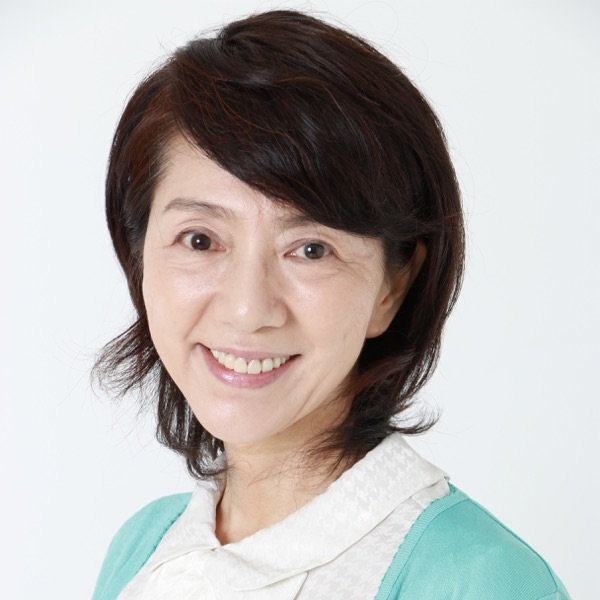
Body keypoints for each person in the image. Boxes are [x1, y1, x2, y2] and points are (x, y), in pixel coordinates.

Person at [92, 9, 570, 600]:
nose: (246, 310)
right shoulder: (142, 548)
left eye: (311, 249)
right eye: (199, 240)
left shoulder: (478, 581)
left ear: (393, 286)